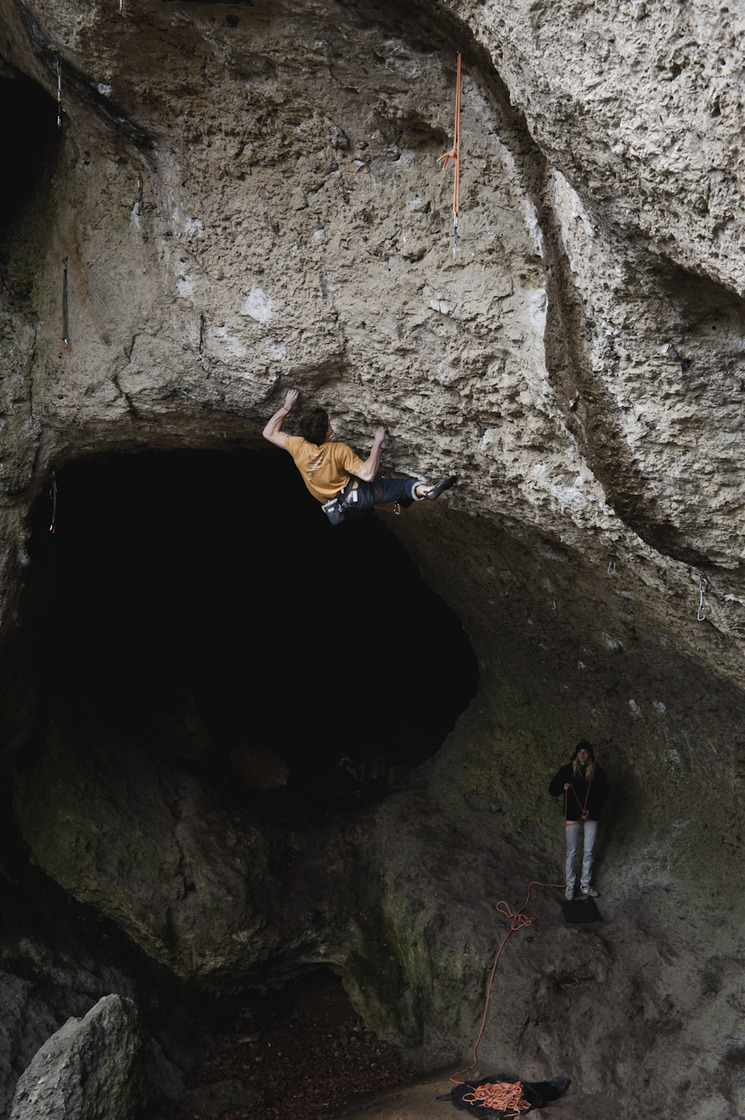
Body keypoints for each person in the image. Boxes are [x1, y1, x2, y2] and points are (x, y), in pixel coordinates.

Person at [262, 389, 457, 521]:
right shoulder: (338, 450)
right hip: (360, 495)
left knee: (386, 488)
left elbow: (268, 432)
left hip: (340, 506)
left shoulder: (298, 445)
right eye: (329, 423)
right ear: (328, 432)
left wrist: (287, 406)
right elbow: (367, 475)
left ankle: (406, 498)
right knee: (402, 485)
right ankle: (426, 491)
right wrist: (377, 444)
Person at [548, 740, 608, 901]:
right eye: (580, 751)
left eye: (586, 751)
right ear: (576, 754)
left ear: (590, 754)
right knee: (571, 851)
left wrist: (591, 811)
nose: (582, 754)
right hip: (572, 815)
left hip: (591, 815)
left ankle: (585, 884)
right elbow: (552, 790)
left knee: (589, 850)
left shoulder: (598, 772)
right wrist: (563, 785)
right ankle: (570, 884)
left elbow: (603, 796)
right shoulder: (567, 770)